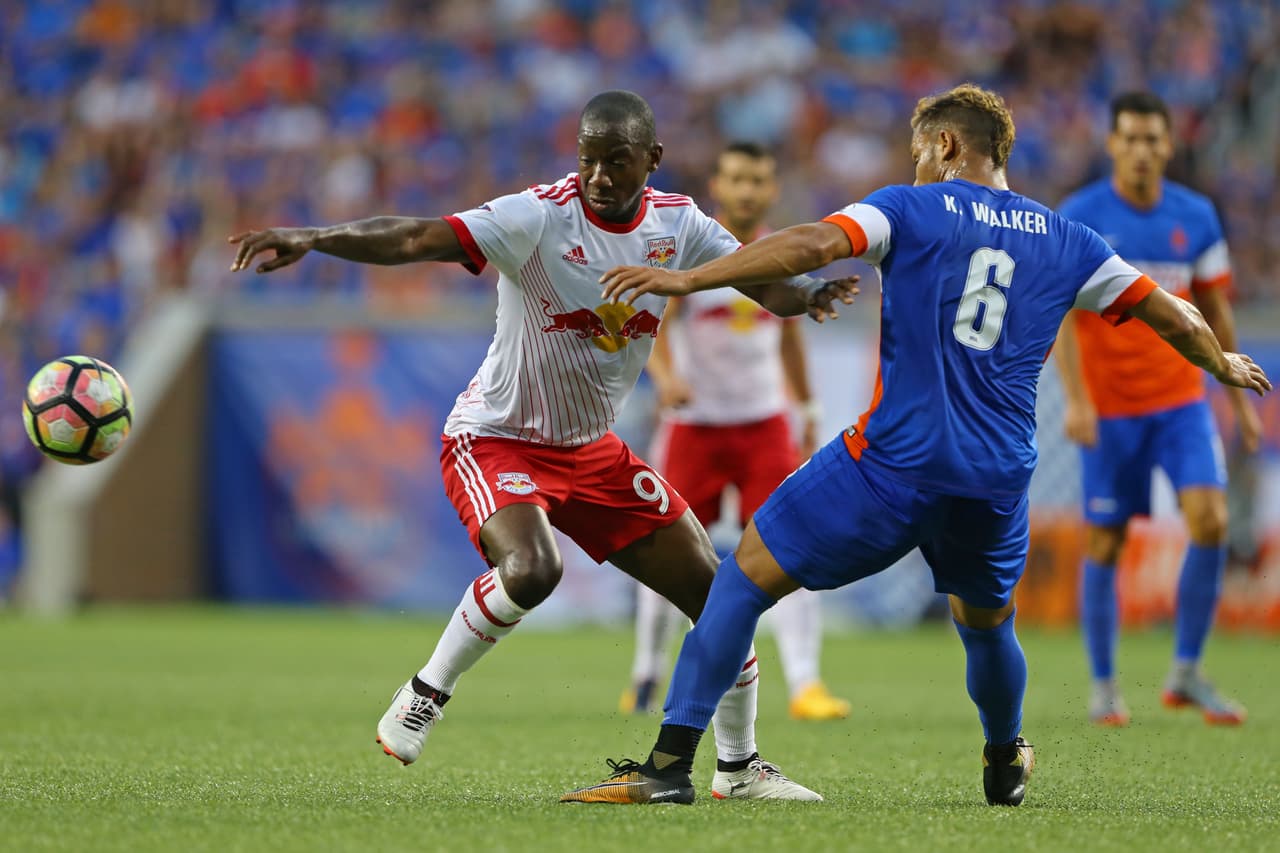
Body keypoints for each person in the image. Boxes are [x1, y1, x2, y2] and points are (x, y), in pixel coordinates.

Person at [560, 83, 1271, 807]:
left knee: (741, 580)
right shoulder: (1070, 240)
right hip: (994, 480)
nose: (916, 165)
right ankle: (1004, 756)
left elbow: (814, 243)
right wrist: (1220, 363)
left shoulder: (909, 207)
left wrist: (690, 277)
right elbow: (1174, 314)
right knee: (987, 627)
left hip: (892, 465)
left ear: (947, 145)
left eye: (919, 152)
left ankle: (669, 765)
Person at [228, 90, 856, 802]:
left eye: (617, 161)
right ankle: (427, 691)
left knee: (722, 601)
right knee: (532, 569)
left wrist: (808, 292)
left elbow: (761, 282)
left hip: (592, 450)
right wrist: (316, 236)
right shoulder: (537, 216)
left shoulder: (678, 222)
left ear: (652, 159)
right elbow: (415, 238)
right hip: (497, 439)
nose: (599, 176)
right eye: (588, 159)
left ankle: (739, 769)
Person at [622, 141, 851, 722]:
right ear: (718, 186)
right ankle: (646, 674)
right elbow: (656, 325)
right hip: (693, 427)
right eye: (737, 179)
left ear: (772, 190)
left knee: (791, 544)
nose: (747, 191)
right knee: (664, 547)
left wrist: (807, 409)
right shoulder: (693, 251)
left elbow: (791, 337)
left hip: (762, 425)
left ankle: (805, 683)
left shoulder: (782, 254)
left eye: (757, 180)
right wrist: (666, 379)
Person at [1054, 92, 1260, 727]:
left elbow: (1216, 310)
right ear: (1112, 144)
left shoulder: (1196, 217)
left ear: (1169, 145)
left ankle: (1187, 672)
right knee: (1107, 539)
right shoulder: (1080, 217)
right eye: (1131, 138)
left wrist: (1238, 400)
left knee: (1212, 520)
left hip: (1180, 401)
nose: (1141, 150)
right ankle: (1103, 685)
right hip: (1111, 409)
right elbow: (1060, 314)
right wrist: (1077, 400)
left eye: (1152, 139)